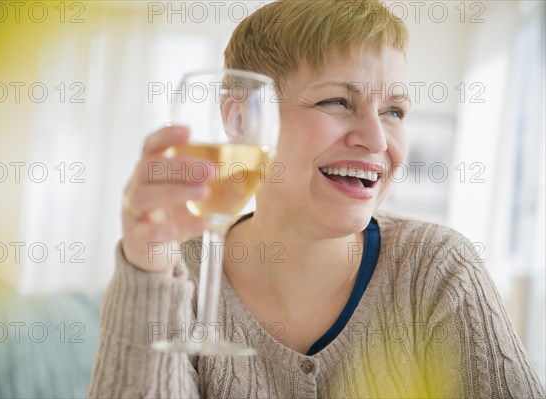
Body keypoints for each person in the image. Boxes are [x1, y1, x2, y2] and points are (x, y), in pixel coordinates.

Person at [88, 1, 545, 397]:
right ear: (242, 117)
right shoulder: (176, 272)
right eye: (337, 103)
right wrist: (146, 270)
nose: (376, 139)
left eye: (393, 111)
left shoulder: (438, 270)